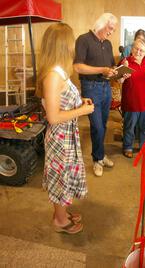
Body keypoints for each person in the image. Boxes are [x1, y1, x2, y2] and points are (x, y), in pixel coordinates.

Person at [36, 23, 94, 234]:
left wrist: (80, 102)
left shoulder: (60, 71)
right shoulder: (53, 75)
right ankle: (60, 221)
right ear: (63, 45)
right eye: (71, 41)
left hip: (67, 135)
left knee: (66, 176)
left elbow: (62, 102)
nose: (74, 46)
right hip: (60, 137)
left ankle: (61, 213)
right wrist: (82, 112)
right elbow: (53, 117)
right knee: (61, 179)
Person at [74, 13, 118, 177]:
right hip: (90, 87)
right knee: (97, 126)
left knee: (103, 125)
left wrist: (119, 73)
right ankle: (97, 159)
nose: (111, 32)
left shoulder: (107, 44)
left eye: (113, 29)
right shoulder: (83, 39)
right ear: (101, 24)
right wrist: (102, 70)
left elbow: (111, 68)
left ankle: (100, 154)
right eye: (110, 28)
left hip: (106, 87)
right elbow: (78, 67)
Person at [121, 38, 145, 158]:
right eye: (136, 48)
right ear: (131, 49)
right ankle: (127, 147)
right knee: (129, 127)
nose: (138, 51)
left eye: (142, 50)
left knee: (144, 128)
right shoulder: (125, 62)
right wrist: (123, 76)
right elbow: (118, 80)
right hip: (131, 102)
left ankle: (143, 146)